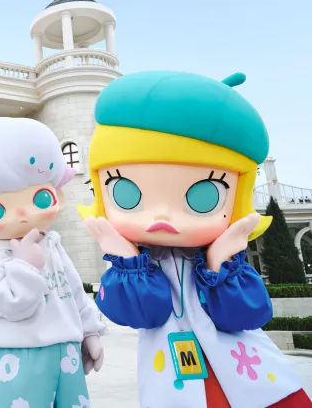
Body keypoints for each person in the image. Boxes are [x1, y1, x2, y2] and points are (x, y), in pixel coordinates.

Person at [79, 70, 311, 407]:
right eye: (126, 192)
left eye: (204, 195)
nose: (161, 217)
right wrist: (128, 262)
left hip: (256, 382)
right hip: (174, 387)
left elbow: (246, 315)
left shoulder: (228, 262)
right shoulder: (129, 265)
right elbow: (145, 314)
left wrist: (219, 263)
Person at [0, 117, 105, 408]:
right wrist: (25, 266)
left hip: (64, 348)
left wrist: (89, 331)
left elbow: (73, 291)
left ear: (58, 196)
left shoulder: (52, 244)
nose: (23, 214)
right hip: (16, 352)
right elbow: (13, 304)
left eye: (41, 199)